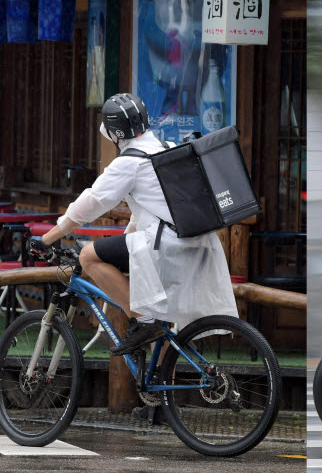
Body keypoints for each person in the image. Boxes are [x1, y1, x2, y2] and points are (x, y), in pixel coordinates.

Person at [27, 93, 239, 413]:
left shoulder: (129, 162)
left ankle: (140, 318)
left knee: (88, 257)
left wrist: (49, 238)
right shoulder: (165, 148)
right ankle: (162, 401)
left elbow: (91, 204)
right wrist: (124, 238)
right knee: (166, 322)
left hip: (167, 246)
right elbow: (147, 208)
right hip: (196, 242)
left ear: (114, 134)